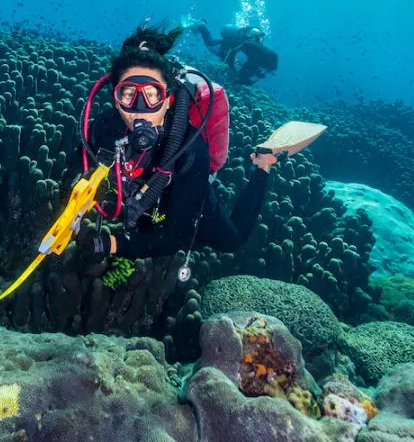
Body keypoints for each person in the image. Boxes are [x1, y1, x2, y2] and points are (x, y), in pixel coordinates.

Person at [75, 22, 279, 271]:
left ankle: (262, 165)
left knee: (233, 241)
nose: (140, 107)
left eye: (152, 94)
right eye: (128, 94)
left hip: (185, 197)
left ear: (168, 99)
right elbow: (78, 172)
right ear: (116, 100)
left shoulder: (190, 150)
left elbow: (176, 237)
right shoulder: (103, 128)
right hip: (143, 201)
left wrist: (109, 244)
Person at [192, 20, 278, 85]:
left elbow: (244, 72)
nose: (265, 72)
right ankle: (201, 24)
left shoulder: (258, 58)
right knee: (210, 44)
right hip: (228, 46)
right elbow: (243, 70)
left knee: (211, 44)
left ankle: (201, 25)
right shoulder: (257, 54)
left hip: (234, 48)